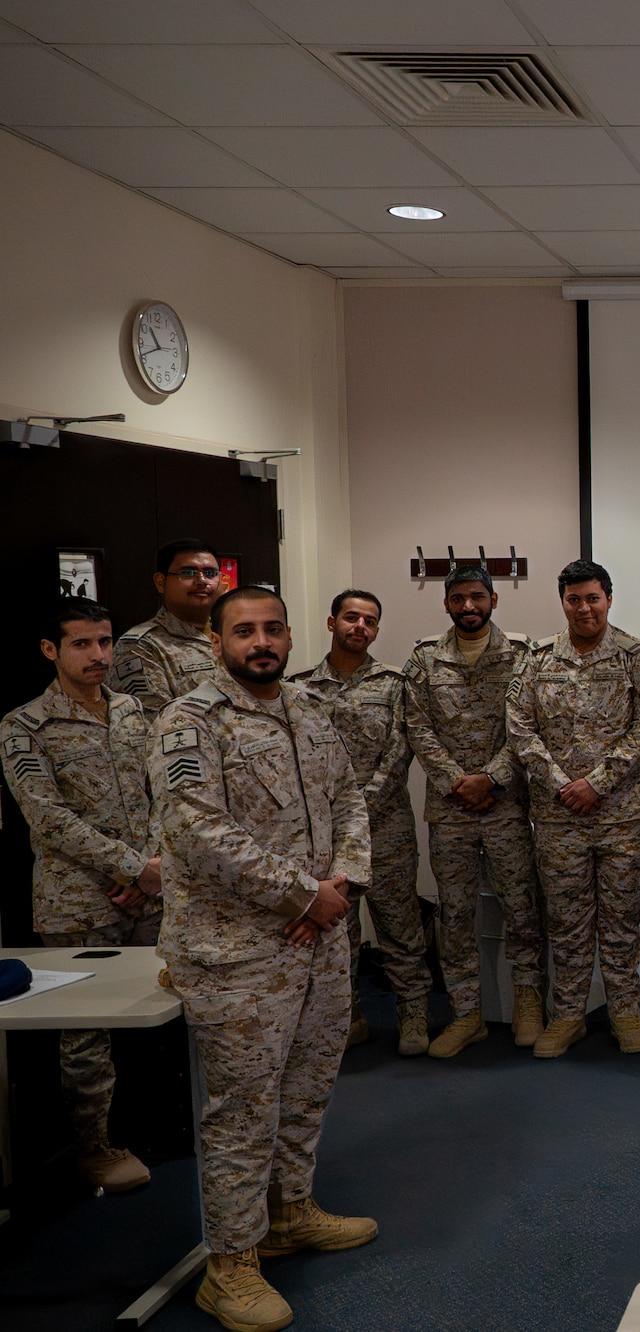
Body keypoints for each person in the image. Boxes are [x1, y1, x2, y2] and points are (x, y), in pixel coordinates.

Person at [150, 586, 375, 1332]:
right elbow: (197, 832)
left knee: (308, 1088)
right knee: (243, 1111)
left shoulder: (311, 709)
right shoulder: (190, 724)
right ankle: (231, 1264)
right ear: (215, 642)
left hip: (320, 942)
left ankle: (290, 1213)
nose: (262, 642)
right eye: (244, 630)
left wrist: (342, 882)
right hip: (238, 951)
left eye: (272, 628)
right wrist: (302, 896)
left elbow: (350, 799)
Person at [1, 598, 160, 1193]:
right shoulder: (25, 724)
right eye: (83, 644)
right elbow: (46, 818)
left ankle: (155, 1127)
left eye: (106, 642)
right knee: (88, 1037)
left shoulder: (135, 712)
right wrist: (132, 867)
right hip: (79, 901)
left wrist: (154, 868)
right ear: (51, 650)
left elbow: (162, 795)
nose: (99, 655)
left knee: (161, 1011)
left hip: (151, 890)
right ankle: (93, 1148)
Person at [507, 559, 640, 1058]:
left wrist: (597, 782)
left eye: (592, 598)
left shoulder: (637, 656)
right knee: (567, 923)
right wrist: (561, 785)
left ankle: (625, 1013)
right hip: (559, 818)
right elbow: (518, 727)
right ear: (563, 602)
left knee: (621, 920)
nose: (584, 608)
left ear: (609, 599)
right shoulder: (535, 659)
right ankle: (569, 1016)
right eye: (574, 599)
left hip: (623, 815)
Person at [403, 565, 547, 1057]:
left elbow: (529, 722)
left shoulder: (523, 656)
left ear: (493, 601)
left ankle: (529, 1001)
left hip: (506, 806)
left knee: (521, 909)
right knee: (456, 915)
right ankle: (468, 1013)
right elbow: (417, 726)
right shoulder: (423, 659)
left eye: (478, 597)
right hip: (450, 812)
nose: (469, 606)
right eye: (459, 598)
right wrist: (456, 782)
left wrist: (493, 778)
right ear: (446, 603)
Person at [290, 590, 432, 1057]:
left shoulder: (394, 684)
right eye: (351, 618)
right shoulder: (298, 688)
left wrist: (358, 810)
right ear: (331, 623)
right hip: (321, 836)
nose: (360, 627)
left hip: (384, 829)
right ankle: (347, 1016)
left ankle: (413, 1016)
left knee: (401, 928)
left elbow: (399, 753)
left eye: (370, 621)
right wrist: (330, 819)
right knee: (337, 933)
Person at [111, 537, 226, 718]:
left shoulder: (232, 635)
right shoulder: (139, 647)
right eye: (188, 573)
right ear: (160, 582)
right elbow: (152, 722)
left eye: (210, 573)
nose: (202, 581)